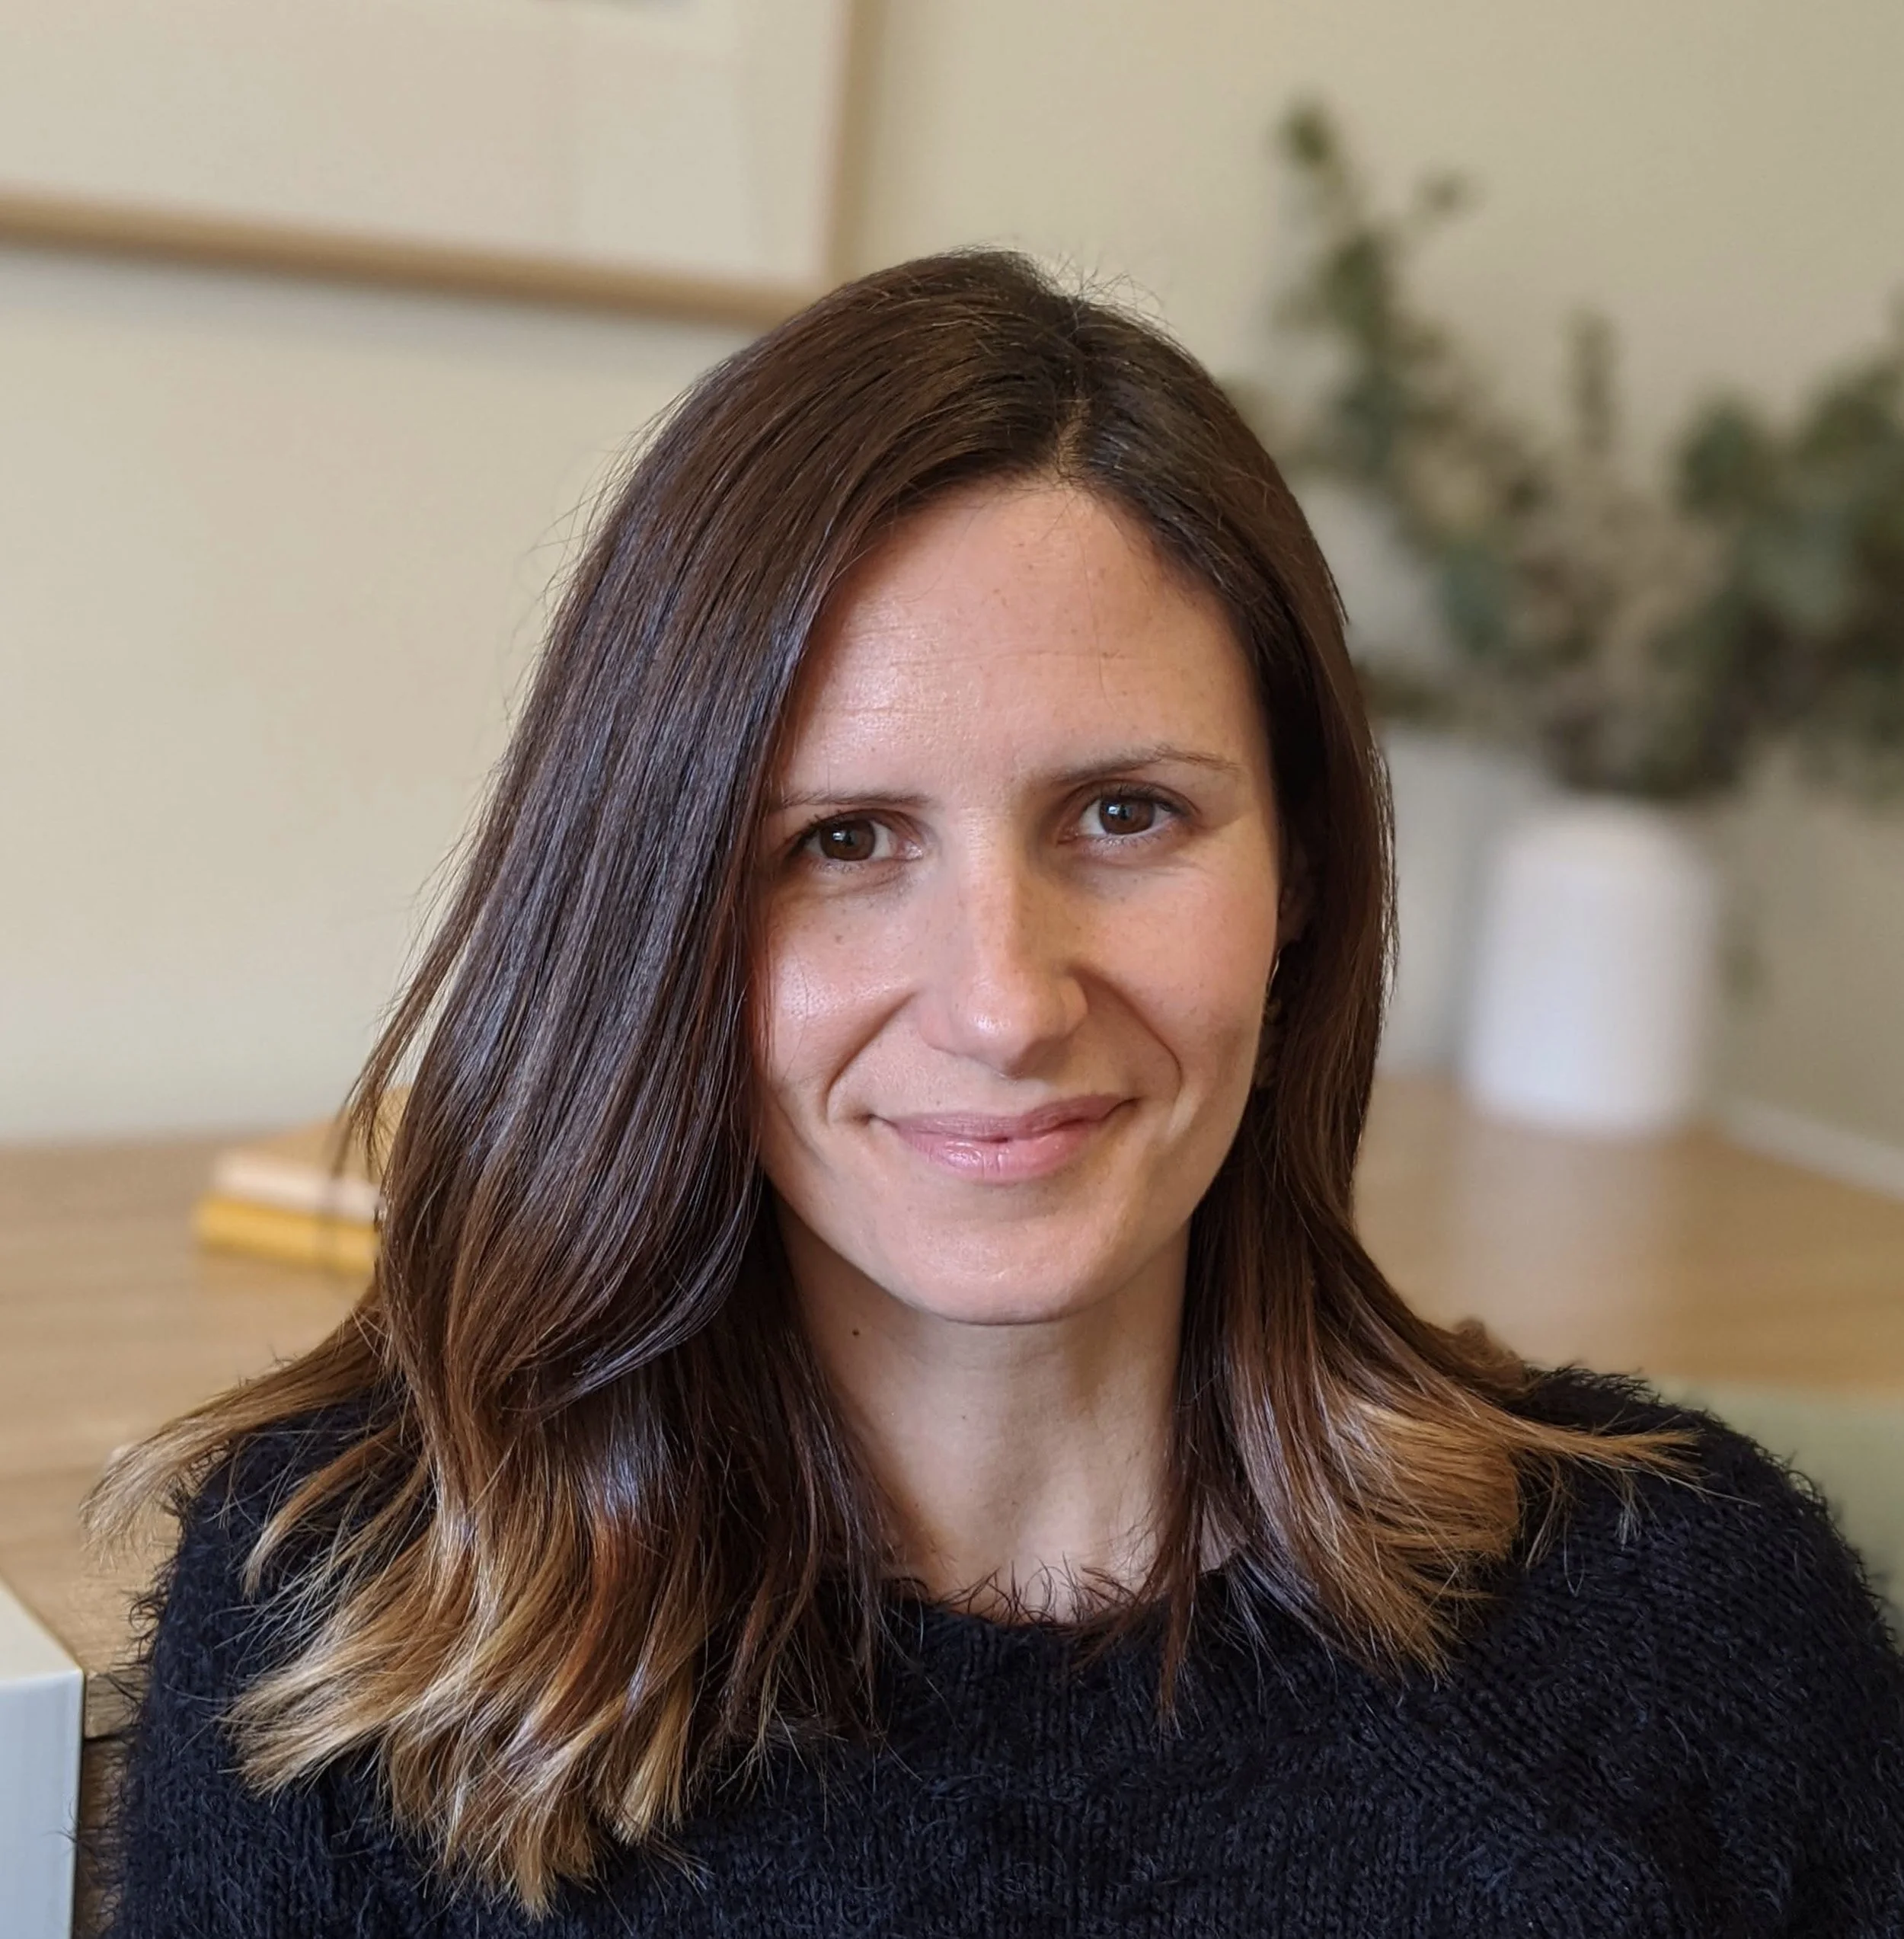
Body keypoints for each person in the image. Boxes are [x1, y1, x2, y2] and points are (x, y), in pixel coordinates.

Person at [93, 251, 1903, 1936]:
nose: (1005, 1002)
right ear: (651, 923)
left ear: (1301, 889)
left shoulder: (1694, 1620)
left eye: (1125, 814)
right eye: (844, 839)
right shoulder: (347, 1643)